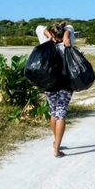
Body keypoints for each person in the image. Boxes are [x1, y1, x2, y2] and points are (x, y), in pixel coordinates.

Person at [40, 22, 74, 158]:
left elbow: (39, 28)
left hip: (49, 83)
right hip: (65, 83)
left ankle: (56, 142)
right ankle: (57, 149)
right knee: (61, 113)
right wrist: (66, 36)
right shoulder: (68, 41)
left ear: (52, 33)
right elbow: (70, 27)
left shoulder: (46, 42)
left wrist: (49, 36)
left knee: (53, 112)